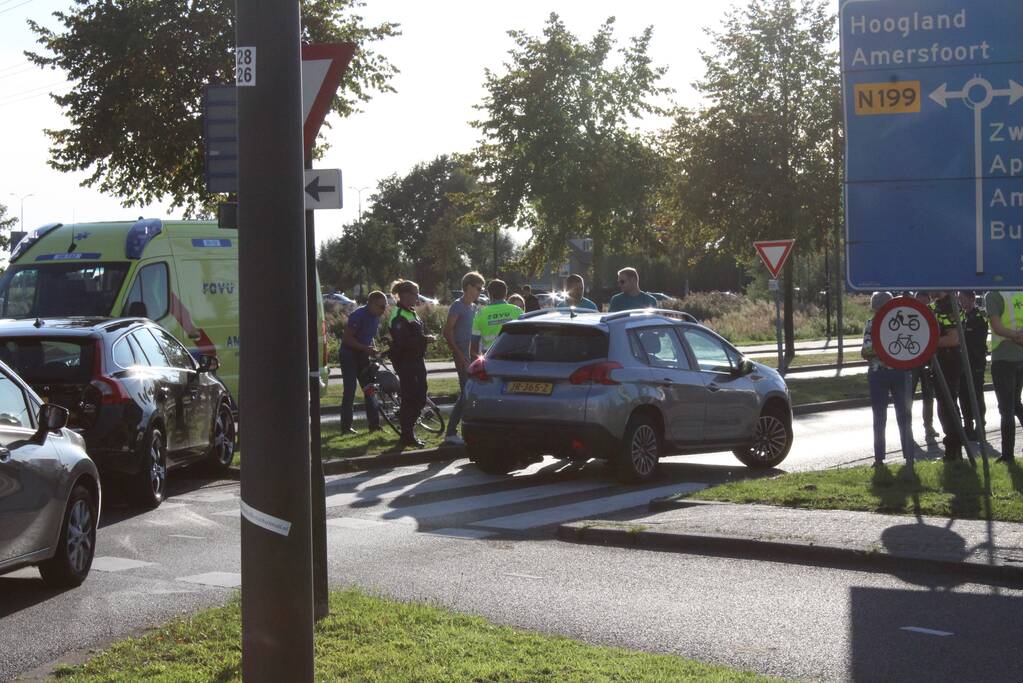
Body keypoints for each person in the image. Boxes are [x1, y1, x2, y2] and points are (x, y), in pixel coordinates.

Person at [862, 292, 915, 466]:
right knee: (904, 416)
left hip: (878, 373)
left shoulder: (871, 324)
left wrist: (880, 351)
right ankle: (909, 456)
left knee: (879, 418)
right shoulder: (901, 323)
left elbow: (866, 351)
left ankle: (879, 458)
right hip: (900, 372)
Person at [388, 279, 434, 449]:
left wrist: (423, 339)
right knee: (411, 398)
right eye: (415, 293)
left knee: (420, 397)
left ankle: (407, 430)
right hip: (406, 362)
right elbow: (404, 341)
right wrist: (425, 339)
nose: (417, 297)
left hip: (416, 360)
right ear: (405, 295)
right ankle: (407, 435)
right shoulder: (398, 315)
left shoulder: (411, 312)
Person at [442, 271, 483, 445]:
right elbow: (447, 331)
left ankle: (466, 429)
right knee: (466, 393)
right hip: (462, 355)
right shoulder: (457, 305)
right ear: (468, 287)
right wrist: (458, 354)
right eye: (478, 288)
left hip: (471, 356)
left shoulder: (472, 307)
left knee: (469, 392)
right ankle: (451, 432)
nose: (480, 292)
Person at [338, 291, 386, 435]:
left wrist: (372, 349)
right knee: (350, 391)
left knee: (370, 389)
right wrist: (365, 348)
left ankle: (374, 425)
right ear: (371, 304)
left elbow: (368, 336)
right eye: (381, 306)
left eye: (385, 306)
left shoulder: (376, 317)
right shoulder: (358, 315)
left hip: (363, 356)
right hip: (349, 356)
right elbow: (347, 338)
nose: (383, 310)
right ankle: (346, 427)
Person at [986, 290, 1023, 463]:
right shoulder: (1019, 291)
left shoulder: (993, 295)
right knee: (1015, 403)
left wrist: (1015, 336)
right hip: (1020, 355)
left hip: (1003, 357)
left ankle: (1008, 455)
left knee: (1006, 409)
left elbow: (997, 327)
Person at [930, 291, 964, 461]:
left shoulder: (951, 305)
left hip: (949, 360)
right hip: (940, 360)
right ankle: (953, 447)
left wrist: (927, 343)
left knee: (949, 405)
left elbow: (953, 339)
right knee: (944, 406)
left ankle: (954, 448)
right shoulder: (937, 305)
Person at [956, 291, 988, 440]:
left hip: (975, 361)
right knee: (963, 395)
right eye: (959, 299)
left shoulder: (979, 316)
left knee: (976, 394)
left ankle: (980, 425)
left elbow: (973, 339)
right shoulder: (960, 315)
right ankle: (967, 425)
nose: (961, 302)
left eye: (963, 298)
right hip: (962, 362)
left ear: (972, 298)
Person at [910, 291, 938, 441]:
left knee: (928, 395)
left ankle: (928, 426)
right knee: (909, 395)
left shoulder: (932, 313)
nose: (922, 300)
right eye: (919, 297)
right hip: (913, 360)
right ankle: (906, 427)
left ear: (928, 299)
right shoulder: (910, 312)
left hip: (928, 360)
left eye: (925, 297)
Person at [471, 279, 522, 357]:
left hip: (490, 358)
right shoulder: (517, 311)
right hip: (514, 357)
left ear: (489, 294)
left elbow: (474, 344)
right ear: (506, 294)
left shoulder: (480, 314)